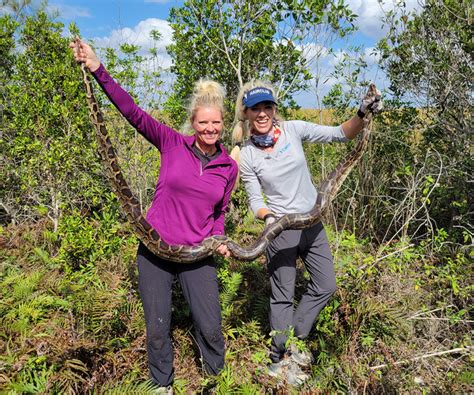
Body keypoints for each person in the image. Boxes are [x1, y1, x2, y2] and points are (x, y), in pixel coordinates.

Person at [70, 40, 238, 391]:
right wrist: (98, 68)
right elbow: (131, 111)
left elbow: (220, 211)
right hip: (155, 249)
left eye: (216, 123)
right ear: (192, 122)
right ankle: (162, 385)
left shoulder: (228, 167)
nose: (210, 129)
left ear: (223, 124)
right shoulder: (170, 142)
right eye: (203, 122)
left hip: (198, 254)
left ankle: (215, 382)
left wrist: (219, 237)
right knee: (158, 326)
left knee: (209, 324)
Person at [232, 81, 381, 385]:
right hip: (280, 229)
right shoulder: (246, 155)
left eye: (267, 107)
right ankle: (278, 359)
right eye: (255, 108)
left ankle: (296, 339)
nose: (262, 113)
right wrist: (271, 218)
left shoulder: (294, 130)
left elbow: (341, 133)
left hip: (312, 222)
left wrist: (362, 112)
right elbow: (255, 200)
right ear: (246, 113)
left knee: (326, 285)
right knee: (282, 297)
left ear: (274, 109)